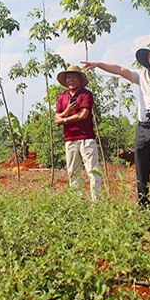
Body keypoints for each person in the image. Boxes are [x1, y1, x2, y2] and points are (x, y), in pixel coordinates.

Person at [83, 42, 150, 207]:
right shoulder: (143, 76)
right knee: (141, 167)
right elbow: (120, 70)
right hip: (142, 127)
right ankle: (143, 204)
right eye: (149, 56)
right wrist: (98, 64)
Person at [55, 64, 102, 201]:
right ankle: (78, 202)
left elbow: (83, 115)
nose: (71, 80)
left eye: (73, 77)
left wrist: (64, 119)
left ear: (79, 79)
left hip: (86, 138)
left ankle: (96, 203)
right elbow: (56, 118)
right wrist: (67, 112)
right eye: (68, 77)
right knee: (73, 172)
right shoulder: (62, 97)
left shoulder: (86, 95)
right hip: (70, 139)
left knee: (93, 171)